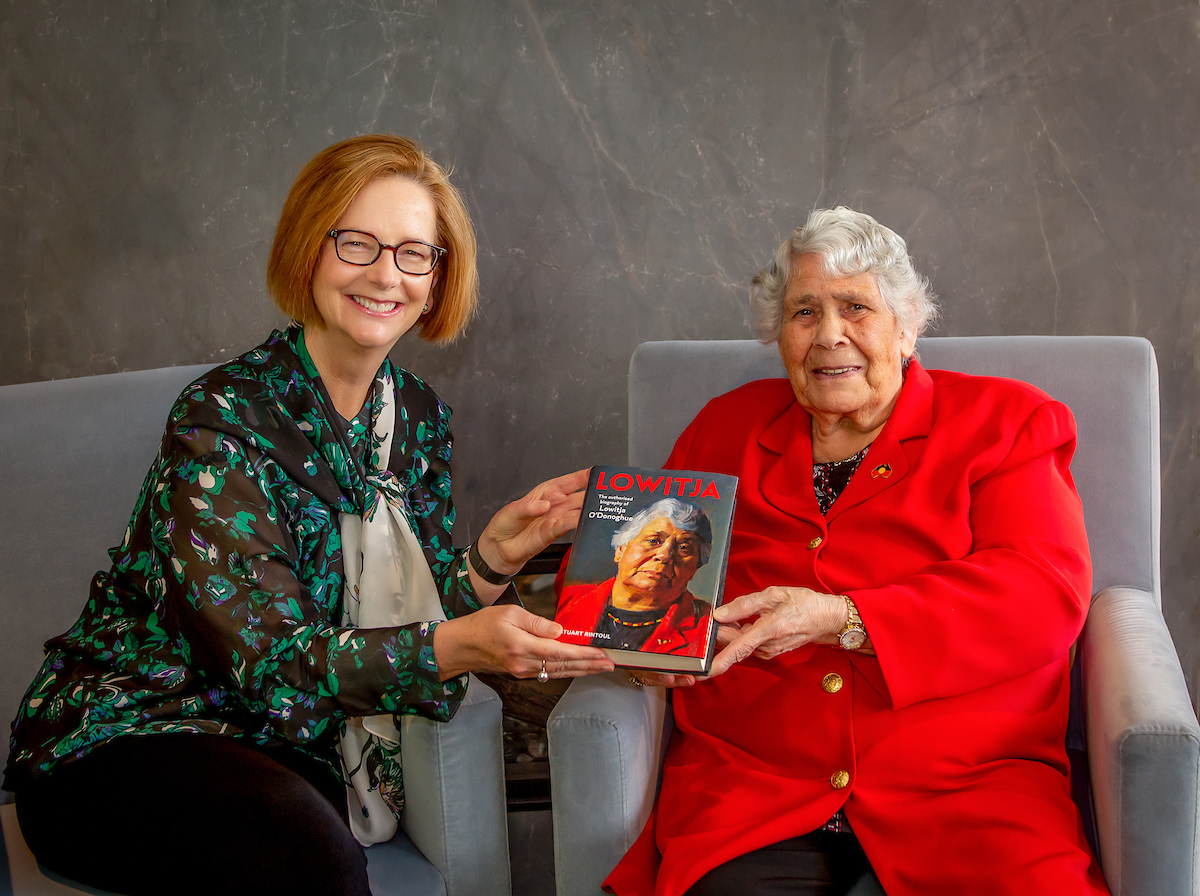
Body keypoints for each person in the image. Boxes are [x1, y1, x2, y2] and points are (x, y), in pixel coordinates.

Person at [2, 134, 614, 896]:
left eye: (414, 253)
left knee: (306, 833)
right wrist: (460, 646)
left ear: (437, 276)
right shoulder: (222, 419)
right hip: (129, 738)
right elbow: (274, 663)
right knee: (307, 849)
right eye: (358, 243)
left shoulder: (419, 420)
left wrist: (489, 562)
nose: (386, 274)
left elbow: (395, 630)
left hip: (289, 748)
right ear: (310, 248)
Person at [606, 208, 1110, 896]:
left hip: (965, 795)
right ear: (779, 336)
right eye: (804, 312)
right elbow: (644, 597)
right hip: (756, 795)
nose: (829, 335)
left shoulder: (1008, 423)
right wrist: (641, 652)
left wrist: (845, 617)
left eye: (855, 307)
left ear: (907, 328)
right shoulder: (720, 431)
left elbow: (1042, 593)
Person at [555, 498, 714, 655]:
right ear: (620, 550)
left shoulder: (707, 624)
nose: (664, 555)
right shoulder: (573, 598)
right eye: (653, 541)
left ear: (696, 567)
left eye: (684, 548)